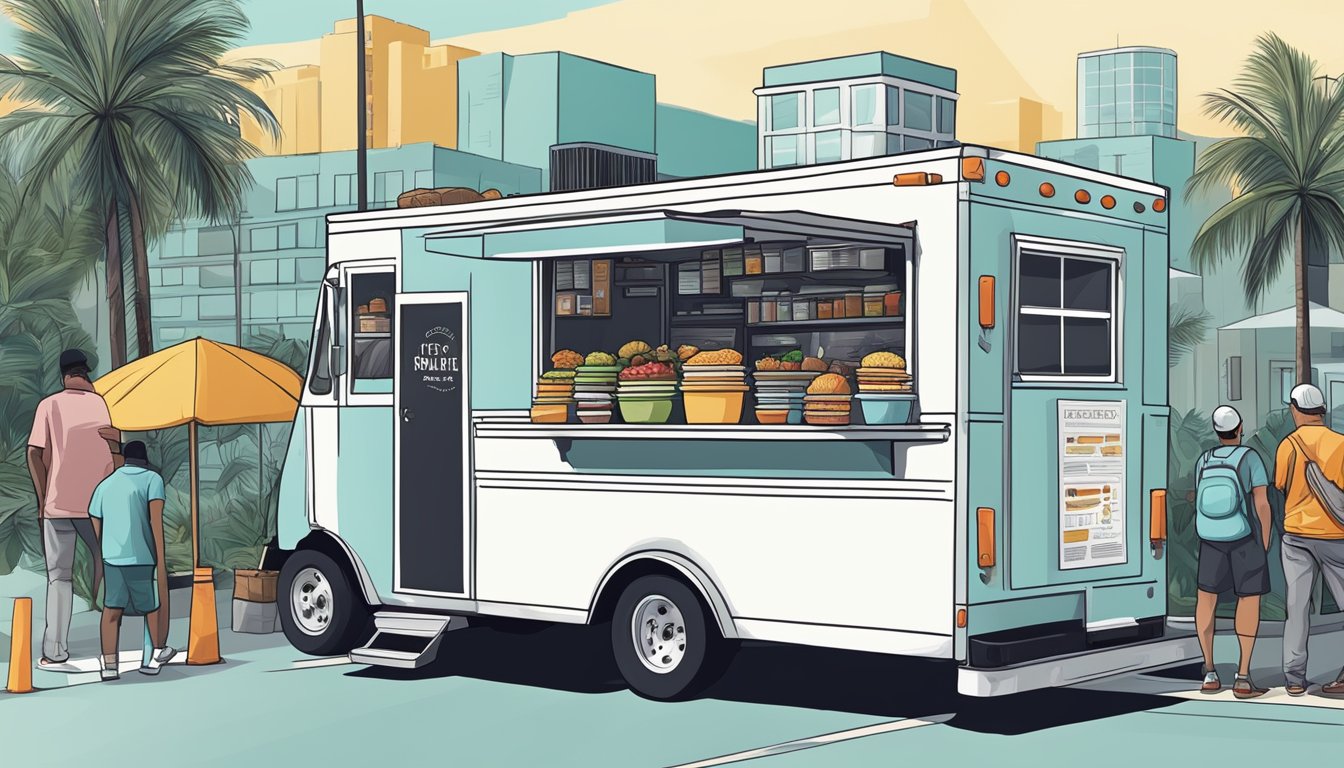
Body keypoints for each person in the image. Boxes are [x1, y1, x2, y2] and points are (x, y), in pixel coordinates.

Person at [26, 348, 121, 667]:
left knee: (59, 577)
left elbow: (34, 454)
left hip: (56, 506)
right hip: (94, 505)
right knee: (106, 565)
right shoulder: (100, 404)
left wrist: (43, 497)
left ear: (64, 375)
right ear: (86, 374)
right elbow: (110, 451)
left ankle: (55, 650)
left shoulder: (49, 405)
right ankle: (111, 645)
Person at [1192, 405, 1272, 698]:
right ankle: (1242, 676)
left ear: (1217, 432)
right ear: (1240, 429)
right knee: (1249, 602)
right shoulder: (1249, 457)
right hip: (1243, 537)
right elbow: (1262, 504)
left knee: (1206, 601)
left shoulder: (1204, 460)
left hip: (1210, 538)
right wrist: (1264, 541)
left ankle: (1210, 672)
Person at [1275, 383, 1344, 697]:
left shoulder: (1288, 445)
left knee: (1297, 606)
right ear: (1322, 410)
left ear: (1295, 410)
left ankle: (1294, 677)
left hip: (1297, 535)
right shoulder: (1339, 443)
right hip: (1336, 535)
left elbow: (1280, 484)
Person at [89, 440, 176, 681]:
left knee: (111, 610)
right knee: (151, 608)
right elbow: (155, 521)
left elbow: (95, 519)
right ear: (144, 459)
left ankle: (109, 665)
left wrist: (104, 548)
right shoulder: (152, 480)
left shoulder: (105, 485)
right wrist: (160, 556)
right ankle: (153, 658)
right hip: (142, 557)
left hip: (112, 557)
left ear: (125, 459)